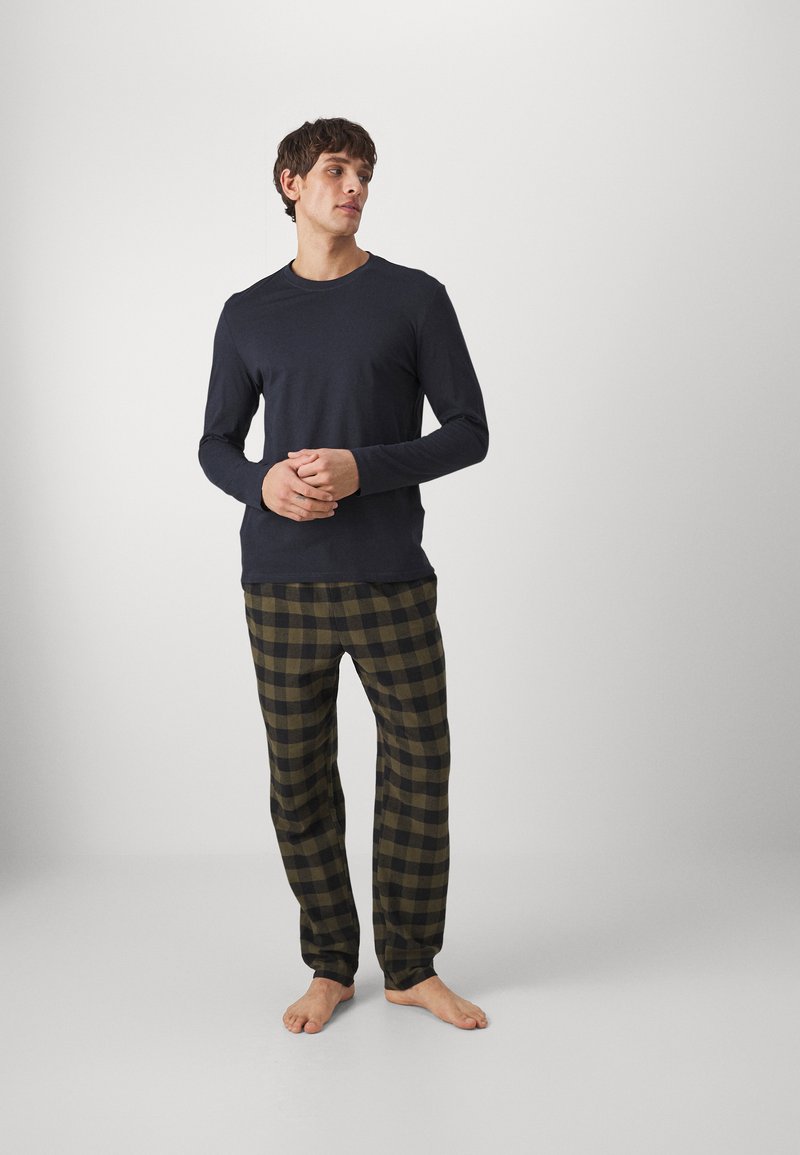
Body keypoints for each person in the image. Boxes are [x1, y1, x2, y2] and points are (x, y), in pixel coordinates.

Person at [198, 117, 490, 1033]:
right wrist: (261, 482)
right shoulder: (248, 311)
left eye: (364, 172)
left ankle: (410, 966)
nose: (354, 185)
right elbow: (215, 444)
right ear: (291, 183)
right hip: (280, 579)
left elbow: (469, 430)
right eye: (335, 169)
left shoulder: (414, 298)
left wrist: (367, 468)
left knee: (420, 770)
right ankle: (330, 965)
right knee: (299, 781)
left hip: (391, 573)